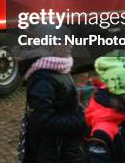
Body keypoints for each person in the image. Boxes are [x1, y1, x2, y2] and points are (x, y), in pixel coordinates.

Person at [12, 25, 86, 163]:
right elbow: (43, 121)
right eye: (64, 41)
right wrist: (80, 121)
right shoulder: (43, 80)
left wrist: (81, 109)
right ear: (51, 45)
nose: (70, 44)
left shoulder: (61, 69)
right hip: (54, 152)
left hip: (64, 147)